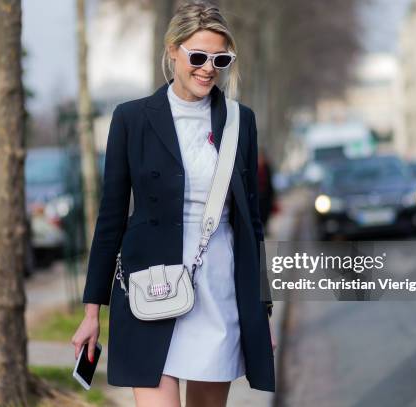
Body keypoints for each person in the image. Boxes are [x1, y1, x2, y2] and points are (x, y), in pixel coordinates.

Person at [71, 2, 276, 406]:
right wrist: (92, 311)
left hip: (218, 293)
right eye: (197, 56)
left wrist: (261, 310)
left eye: (220, 58)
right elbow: (111, 218)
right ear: (172, 51)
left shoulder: (240, 122)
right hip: (149, 291)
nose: (208, 68)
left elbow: (251, 223)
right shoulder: (131, 119)